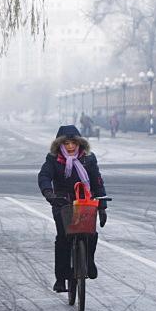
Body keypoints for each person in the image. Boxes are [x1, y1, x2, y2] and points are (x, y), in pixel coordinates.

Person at [38, 125, 107, 293]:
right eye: (66, 143)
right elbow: (44, 176)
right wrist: (49, 193)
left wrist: (102, 206)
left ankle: (89, 262)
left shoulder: (88, 159)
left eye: (73, 143)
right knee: (63, 238)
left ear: (79, 144)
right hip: (62, 202)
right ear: (60, 144)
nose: (70, 147)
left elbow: (97, 181)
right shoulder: (53, 159)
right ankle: (61, 278)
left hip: (84, 201)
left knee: (91, 234)